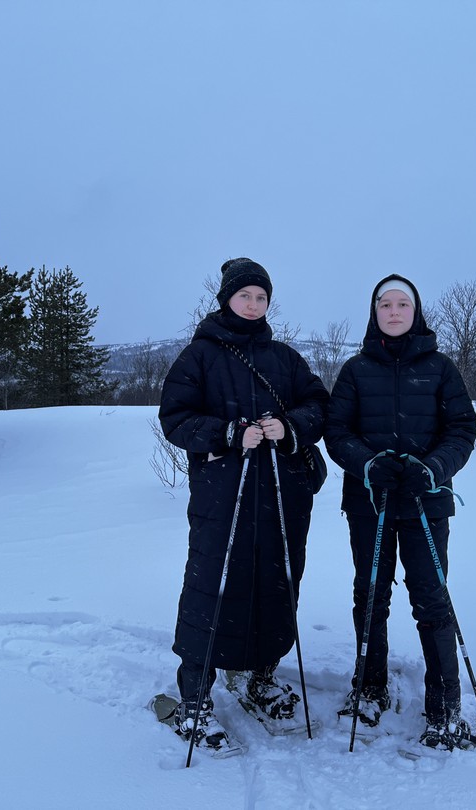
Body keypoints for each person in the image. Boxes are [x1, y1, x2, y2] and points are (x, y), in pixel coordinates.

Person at [159, 257, 329, 755]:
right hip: (223, 493)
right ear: (226, 300)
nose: (253, 305)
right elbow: (175, 417)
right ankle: (195, 697)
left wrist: (289, 426)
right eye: (244, 296)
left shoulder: (284, 357)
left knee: (277, 583)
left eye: (261, 298)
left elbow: (320, 405)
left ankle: (259, 677)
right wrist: (227, 433)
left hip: (281, 495)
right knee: (211, 587)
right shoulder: (200, 356)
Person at [324, 274, 476, 750]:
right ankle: (369, 689)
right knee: (370, 596)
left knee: (431, 599)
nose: (393, 312)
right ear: (374, 312)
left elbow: (461, 428)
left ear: (416, 312)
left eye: (402, 304)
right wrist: (368, 464)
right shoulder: (354, 370)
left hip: (424, 501)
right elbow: (337, 431)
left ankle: (445, 706)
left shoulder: (440, 368)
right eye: (384, 304)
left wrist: (432, 469)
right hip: (370, 501)